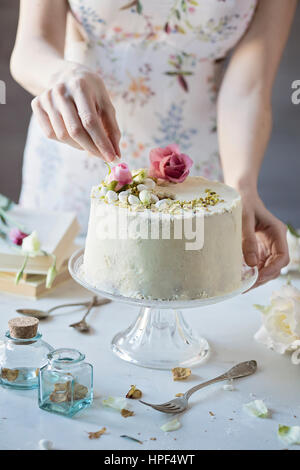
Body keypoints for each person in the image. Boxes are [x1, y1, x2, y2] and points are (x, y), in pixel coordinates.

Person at [11, 0, 295, 288]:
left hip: (196, 177)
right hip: (75, 150)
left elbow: (249, 87)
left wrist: (241, 186)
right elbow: (31, 47)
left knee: (179, 292)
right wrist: (61, 75)